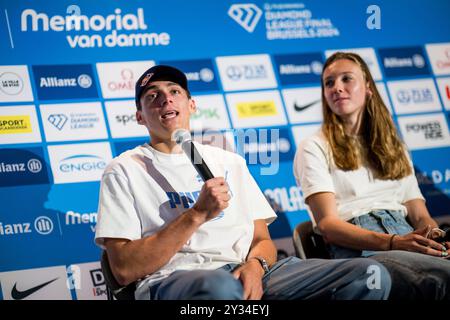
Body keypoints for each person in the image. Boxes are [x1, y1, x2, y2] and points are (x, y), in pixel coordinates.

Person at [95, 64, 391, 300]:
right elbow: (124, 269)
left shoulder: (229, 161)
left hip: (252, 272)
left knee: (369, 274)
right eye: (152, 96)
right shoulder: (123, 170)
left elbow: (262, 241)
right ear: (139, 117)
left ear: (191, 104)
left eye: (175, 91)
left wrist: (255, 266)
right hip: (181, 279)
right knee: (221, 290)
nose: (166, 98)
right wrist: (197, 214)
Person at [293, 52, 450, 300]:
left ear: (368, 88)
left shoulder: (394, 146)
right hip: (360, 249)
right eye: (329, 82)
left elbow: (420, 215)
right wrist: (393, 242)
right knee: (441, 280)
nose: (337, 88)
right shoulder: (313, 146)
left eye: (347, 79)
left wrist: (435, 239)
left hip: (405, 234)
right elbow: (328, 226)